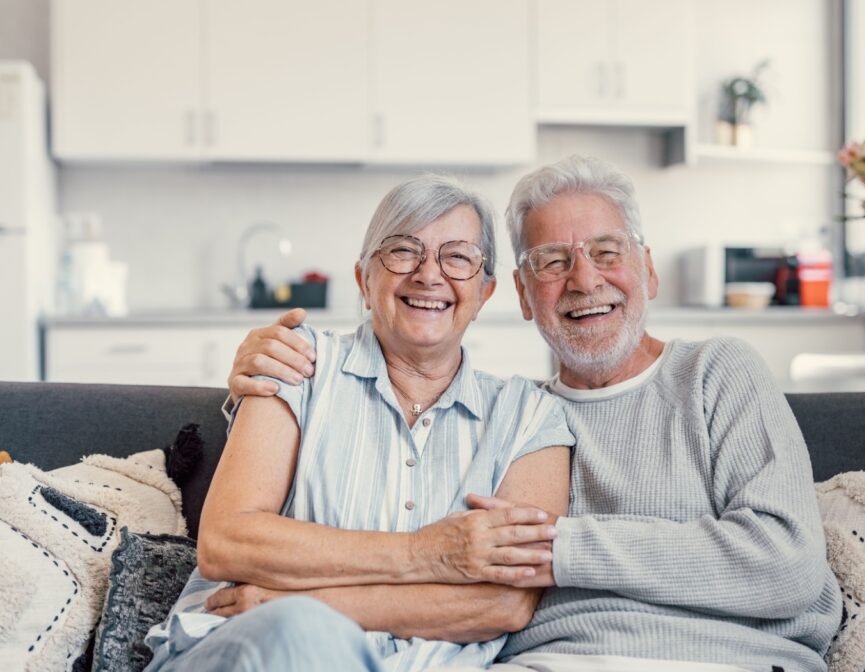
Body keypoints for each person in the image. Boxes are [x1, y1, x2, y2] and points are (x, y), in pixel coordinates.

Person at [228, 156, 843, 672]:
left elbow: (785, 565)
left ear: (648, 269)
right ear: (521, 294)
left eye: (607, 252)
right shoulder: (518, 417)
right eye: (552, 262)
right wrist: (253, 390)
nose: (583, 280)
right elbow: (477, 594)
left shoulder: (716, 373)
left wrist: (559, 547)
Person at [144, 175, 574, 672]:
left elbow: (503, 604)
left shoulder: (531, 417)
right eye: (402, 251)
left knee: (302, 623)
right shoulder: (298, 363)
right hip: (254, 650)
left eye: (457, 256)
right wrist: (427, 554)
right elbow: (228, 543)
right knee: (297, 635)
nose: (428, 274)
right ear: (363, 280)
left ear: (484, 291)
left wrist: (310, 601)